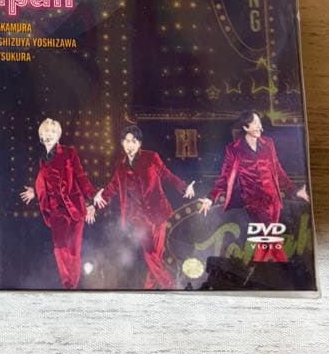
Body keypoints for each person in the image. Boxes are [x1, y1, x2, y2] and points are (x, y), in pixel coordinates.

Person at [198, 110, 309, 262]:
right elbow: (225, 177)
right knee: (270, 236)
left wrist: (295, 191)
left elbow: (278, 170)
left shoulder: (268, 144)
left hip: (273, 201)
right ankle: (283, 267)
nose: (259, 126)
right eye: (254, 123)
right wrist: (211, 198)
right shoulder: (234, 149)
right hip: (254, 202)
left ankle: (259, 269)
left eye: (259, 122)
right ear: (245, 127)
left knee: (266, 239)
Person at [94, 123, 194, 289]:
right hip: (138, 218)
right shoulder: (120, 166)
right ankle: (172, 287)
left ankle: (148, 289)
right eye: (127, 141)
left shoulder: (151, 157)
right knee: (149, 254)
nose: (130, 145)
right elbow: (112, 187)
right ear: (122, 143)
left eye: (134, 141)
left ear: (139, 143)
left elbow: (166, 174)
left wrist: (184, 187)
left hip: (158, 213)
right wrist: (95, 203)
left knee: (156, 257)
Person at [19, 118, 96, 290]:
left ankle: (72, 288)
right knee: (60, 248)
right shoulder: (42, 161)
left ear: (58, 136)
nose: (49, 134)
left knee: (74, 250)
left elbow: (81, 176)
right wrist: (35, 193)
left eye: (53, 132)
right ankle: (67, 285)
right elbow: (43, 184)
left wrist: (91, 199)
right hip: (56, 211)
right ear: (41, 136)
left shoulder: (69, 152)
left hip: (76, 207)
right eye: (46, 131)